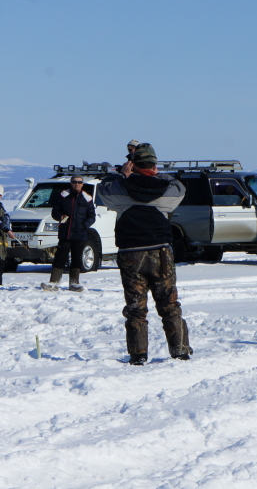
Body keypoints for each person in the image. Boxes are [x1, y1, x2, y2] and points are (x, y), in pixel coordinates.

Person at [97, 143, 191, 366]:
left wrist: (124, 175)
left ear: (133, 164)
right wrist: (159, 175)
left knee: (136, 308)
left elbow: (102, 189)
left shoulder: (120, 190)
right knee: (169, 304)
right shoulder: (166, 192)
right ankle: (179, 349)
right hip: (161, 252)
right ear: (154, 166)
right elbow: (179, 187)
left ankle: (138, 354)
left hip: (131, 253)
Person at [41, 175, 97, 292]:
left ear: (82, 184)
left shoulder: (87, 198)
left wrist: (84, 225)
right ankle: (53, 282)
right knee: (60, 258)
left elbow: (92, 216)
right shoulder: (63, 195)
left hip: (80, 234)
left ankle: (74, 283)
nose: (77, 184)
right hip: (65, 233)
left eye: (79, 182)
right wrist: (60, 216)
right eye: (74, 182)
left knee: (77, 259)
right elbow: (55, 211)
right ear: (71, 183)